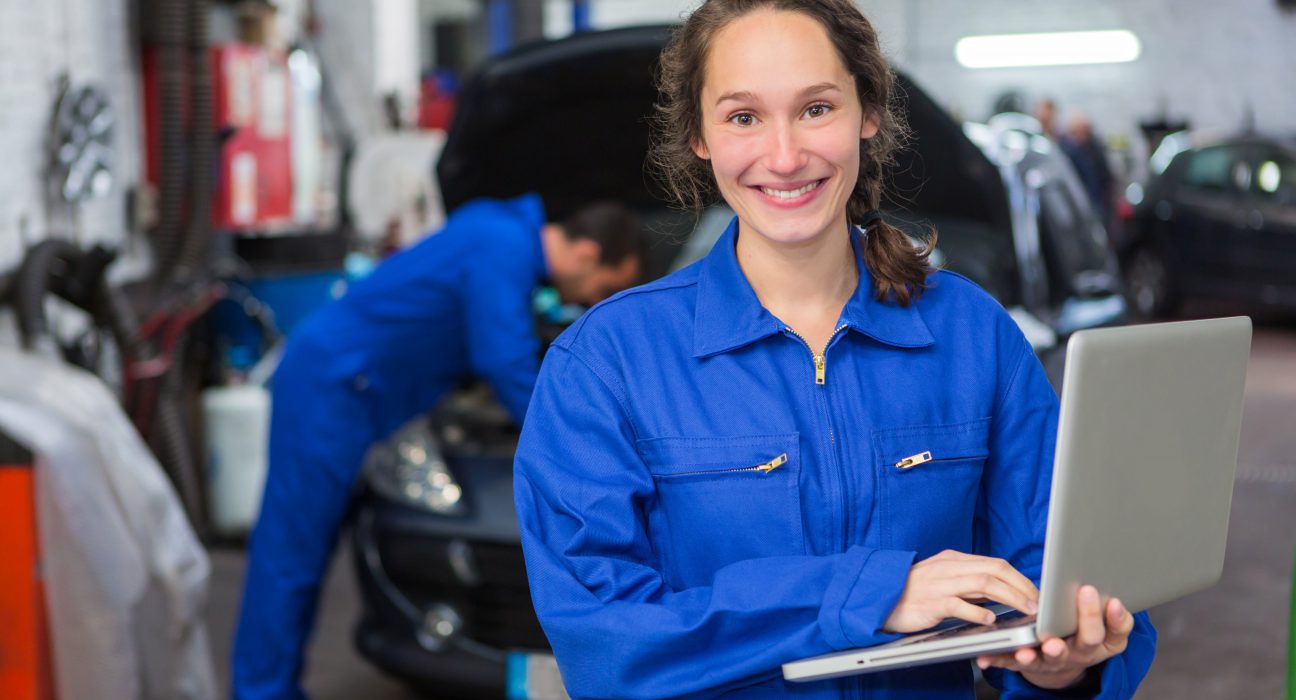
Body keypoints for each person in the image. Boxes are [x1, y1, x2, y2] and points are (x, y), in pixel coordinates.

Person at [513, 2, 1155, 698]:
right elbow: (605, 645)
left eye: (817, 109)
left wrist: (1068, 665)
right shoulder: (607, 363)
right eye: (743, 117)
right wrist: (872, 594)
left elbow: (1057, 576)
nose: (785, 157)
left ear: (867, 113)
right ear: (700, 135)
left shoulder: (973, 335)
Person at [232, 194, 642, 700]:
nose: (591, 304)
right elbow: (505, 362)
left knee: (302, 550)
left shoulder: (498, 227)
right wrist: (580, 443)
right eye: (605, 289)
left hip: (357, 388)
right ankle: (261, 691)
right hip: (332, 387)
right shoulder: (503, 246)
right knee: (291, 552)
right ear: (585, 255)